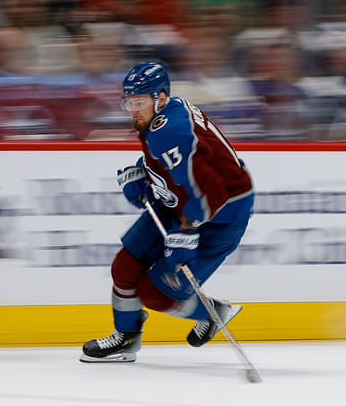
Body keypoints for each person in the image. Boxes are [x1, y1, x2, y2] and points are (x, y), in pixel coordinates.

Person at [80, 61, 254, 362]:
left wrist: (186, 233)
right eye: (128, 102)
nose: (132, 109)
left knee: (156, 293)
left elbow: (209, 189)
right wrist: (143, 174)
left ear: (159, 98)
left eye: (138, 102)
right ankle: (126, 338)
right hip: (179, 205)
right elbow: (182, 165)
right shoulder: (164, 114)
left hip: (219, 217)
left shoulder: (167, 131)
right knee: (124, 268)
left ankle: (214, 313)